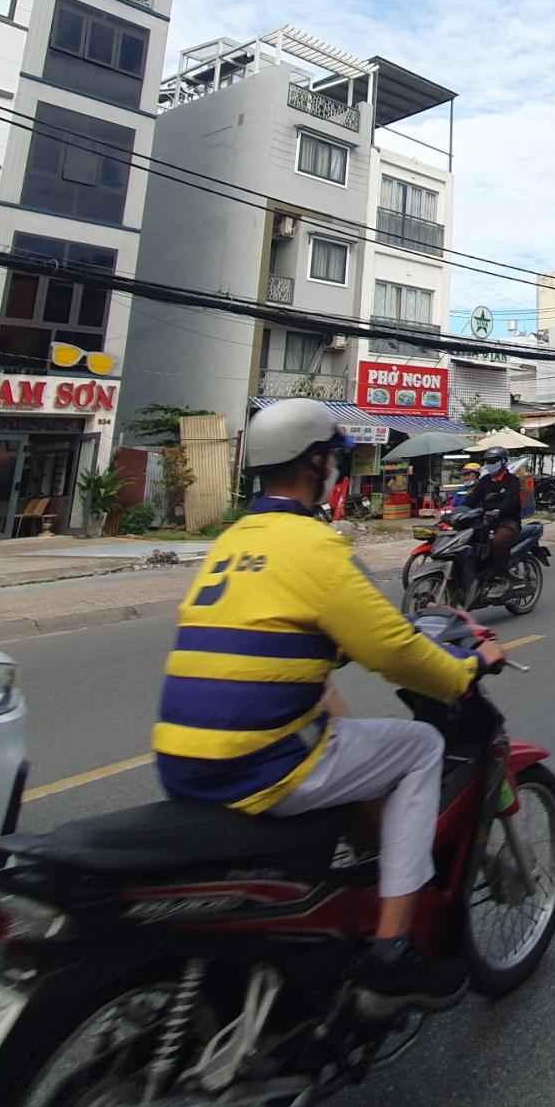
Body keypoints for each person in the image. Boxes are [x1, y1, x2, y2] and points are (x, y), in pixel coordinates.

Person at [152, 400, 506, 1013]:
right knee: (419, 746)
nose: (338, 472)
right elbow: (395, 650)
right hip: (258, 763)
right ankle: (391, 955)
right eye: (335, 461)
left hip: (182, 759)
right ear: (316, 462)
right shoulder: (315, 548)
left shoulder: (230, 542)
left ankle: (363, 869)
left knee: (340, 724)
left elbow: (275, 636)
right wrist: (468, 667)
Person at [462, 444, 523, 577]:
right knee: (468, 540)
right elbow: (472, 499)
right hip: (487, 521)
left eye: (493, 461)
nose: (489, 464)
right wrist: (458, 511)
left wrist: (498, 511)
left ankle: (501, 576)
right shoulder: (484, 481)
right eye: (487, 461)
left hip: (508, 522)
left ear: (503, 462)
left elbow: (510, 502)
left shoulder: (512, 481)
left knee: (498, 542)